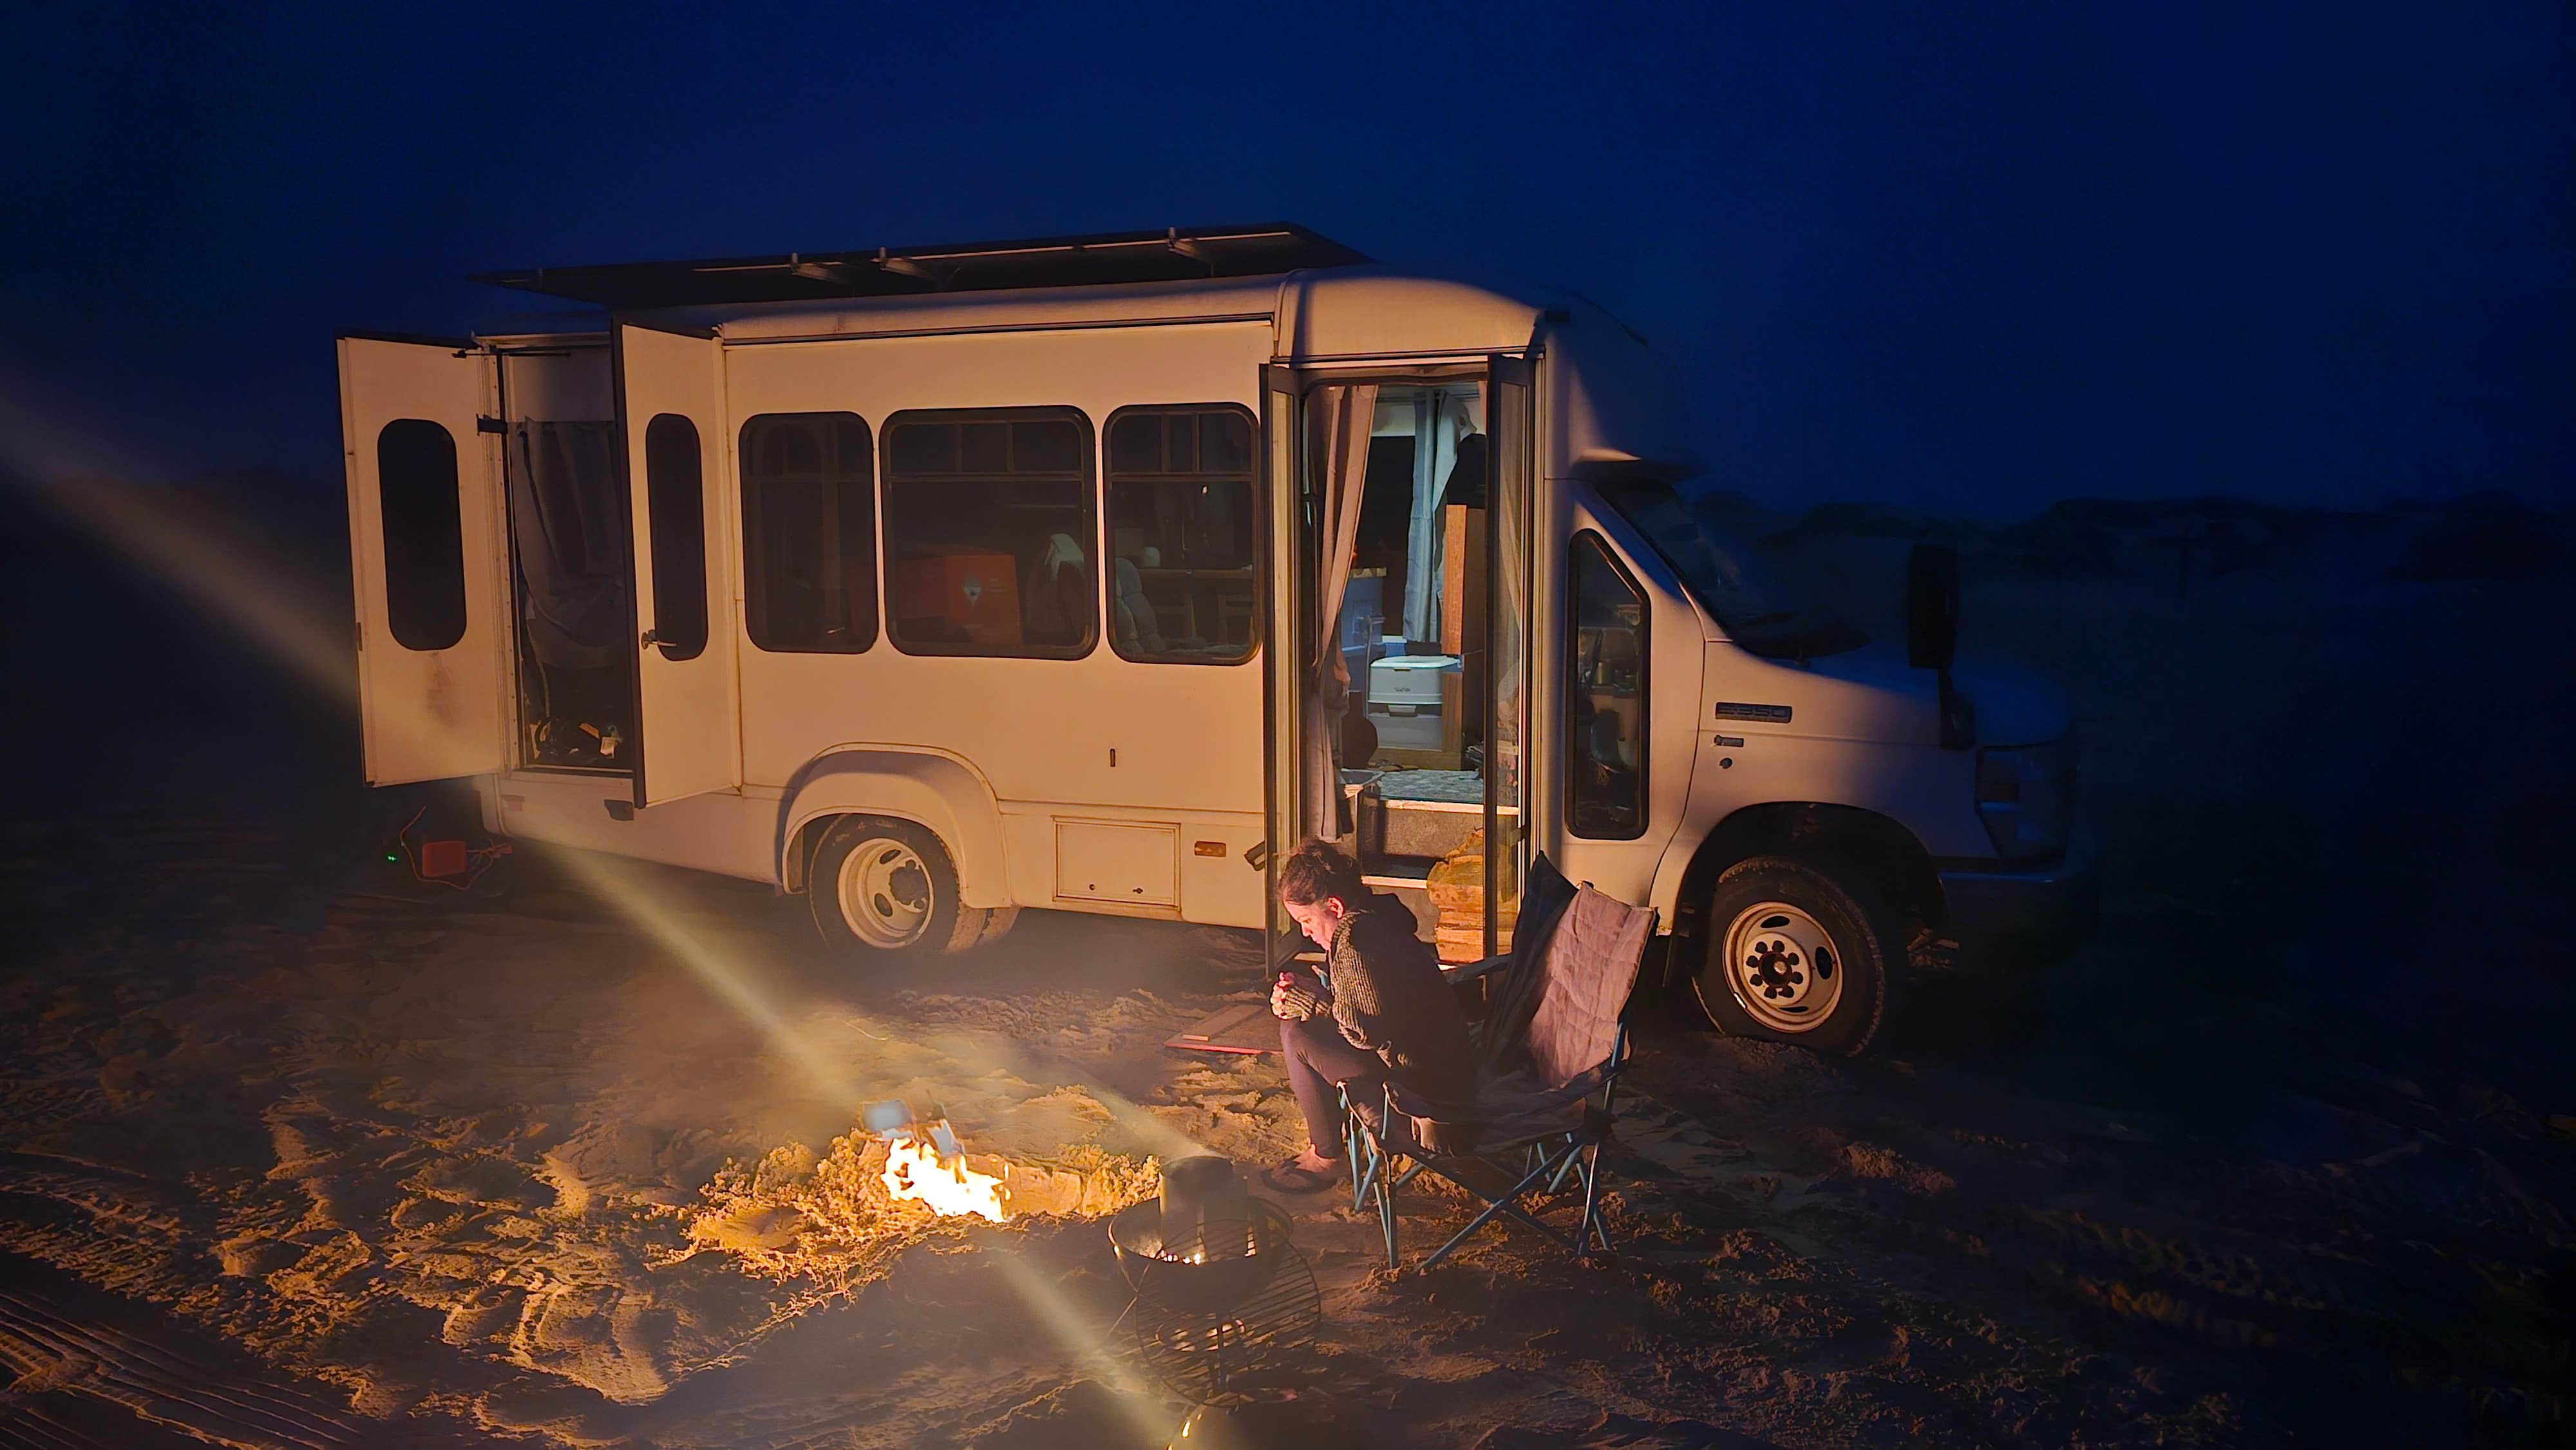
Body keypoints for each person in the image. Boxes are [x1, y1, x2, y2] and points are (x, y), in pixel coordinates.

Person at [1264, 840, 1475, 1192]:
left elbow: (1364, 1032)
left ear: (1334, 906)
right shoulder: (1373, 916)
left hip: (1426, 1083)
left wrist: (1311, 1002)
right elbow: (1371, 1002)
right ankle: (1327, 1147)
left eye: (1306, 920)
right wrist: (1310, 995)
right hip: (1442, 1061)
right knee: (1297, 1026)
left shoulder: (1357, 939)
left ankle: (1328, 1158)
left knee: (1298, 1036)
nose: (1305, 932)